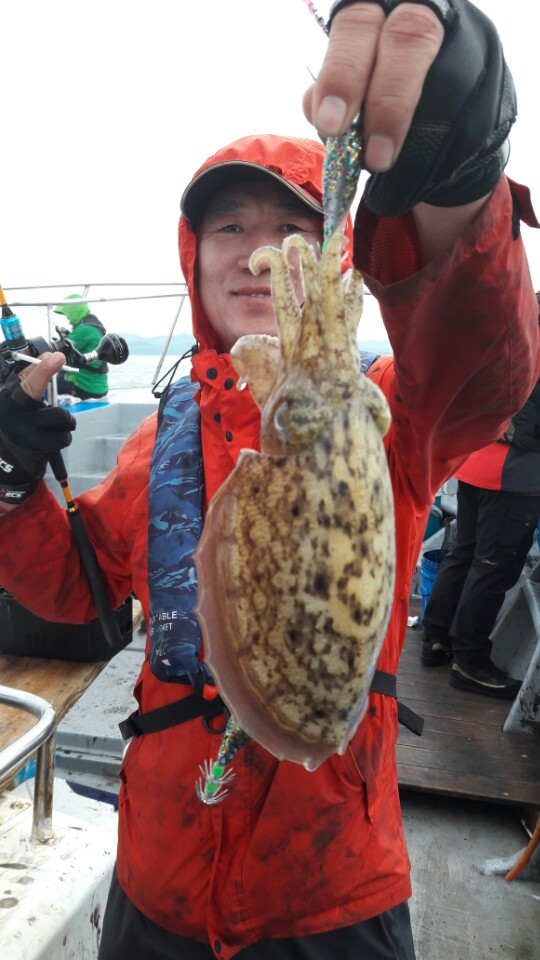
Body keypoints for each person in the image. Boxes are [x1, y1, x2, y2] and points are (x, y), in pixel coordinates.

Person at [0, 2, 538, 958]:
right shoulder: (158, 443)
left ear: (334, 251)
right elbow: (77, 589)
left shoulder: (390, 410)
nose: (259, 250)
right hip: (160, 869)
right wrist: (11, 484)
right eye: (231, 227)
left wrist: (456, 181)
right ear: (193, 257)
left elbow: (479, 357)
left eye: (292, 224)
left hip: (332, 882)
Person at [421, 356, 540, 699]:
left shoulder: (516, 335)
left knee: (464, 553)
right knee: (492, 567)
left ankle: (436, 640)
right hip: (512, 473)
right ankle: (469, 661)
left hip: (475, 459)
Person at [53, 292, 109, 400]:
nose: (69, 321)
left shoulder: (85, 329)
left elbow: (60, 351)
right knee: (59, 376)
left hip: (87, 389)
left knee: (46, 383)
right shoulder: (94, 326)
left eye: (68, 315)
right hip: (99, 387)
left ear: (74, 312)